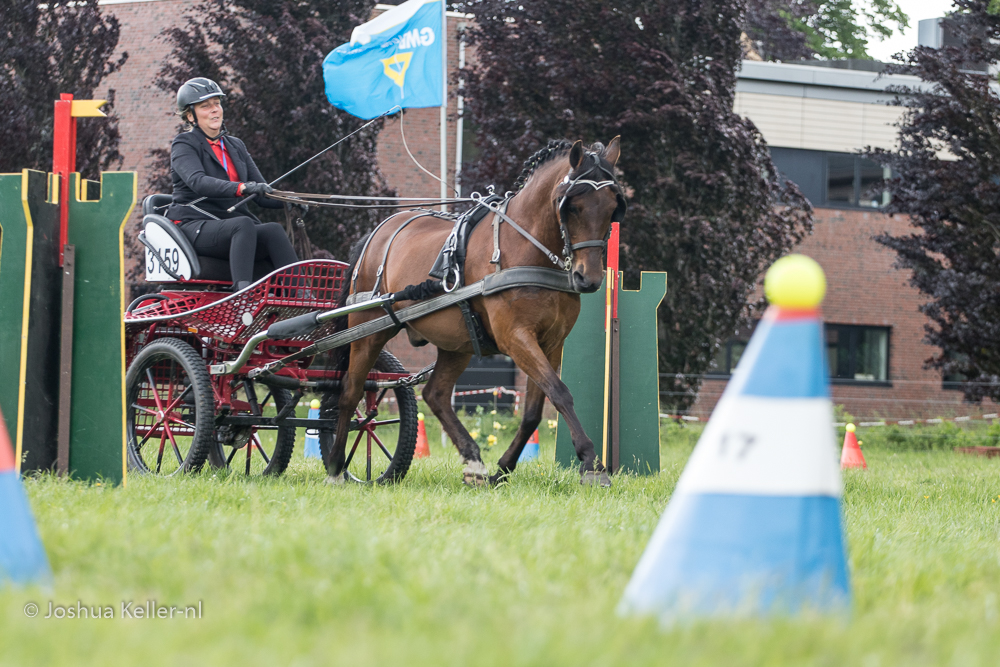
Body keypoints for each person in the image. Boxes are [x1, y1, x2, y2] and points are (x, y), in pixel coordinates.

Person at [166, 77, 298, 291]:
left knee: (273, 230)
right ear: (190, 115)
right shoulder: (184, 144)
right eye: (205, 106)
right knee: (244, 224)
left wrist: (290, 200)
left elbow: (261, 194)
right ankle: (241, 294)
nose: (214, 110)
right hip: (193, 224)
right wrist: (243, 187)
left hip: (229, 225)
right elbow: (198, 182)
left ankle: (301, 296)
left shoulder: (235, 145)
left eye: (217, 103)